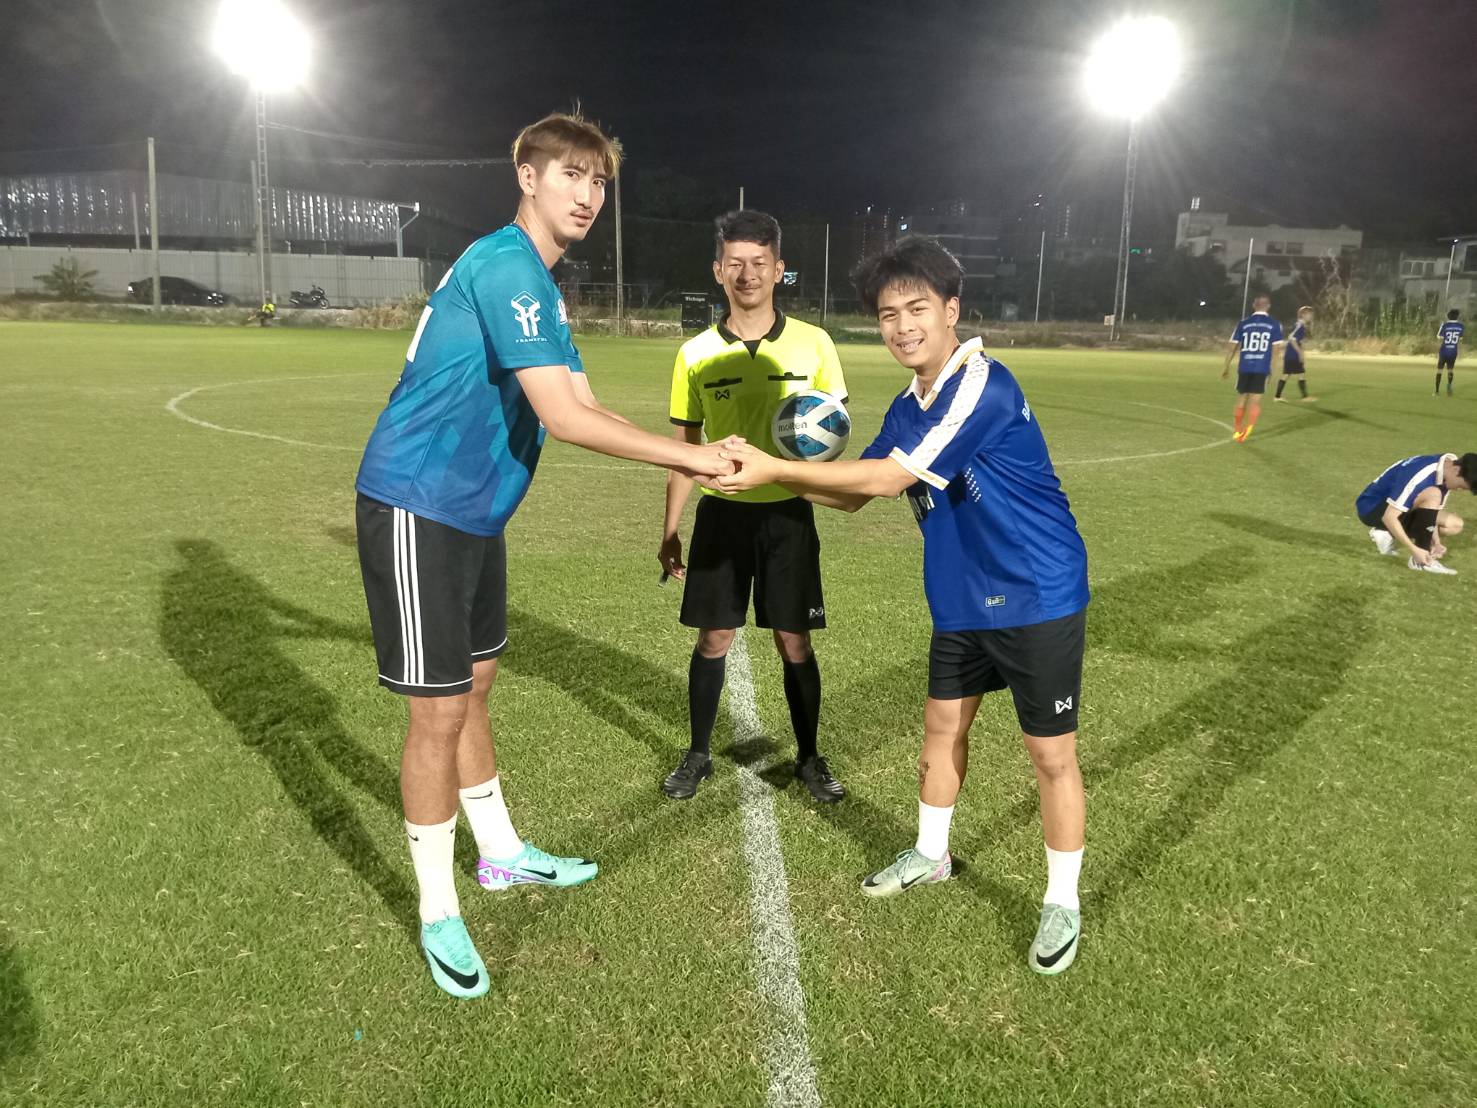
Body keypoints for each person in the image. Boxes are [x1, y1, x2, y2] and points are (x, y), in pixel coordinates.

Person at [353, 112, 739, 1000]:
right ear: (526, 176)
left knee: (476, 686)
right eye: (570, 173)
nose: (587, 193)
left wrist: (691, 452)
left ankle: (499, 853)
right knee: (436, 714)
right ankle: (438, 910)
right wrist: (688, 459)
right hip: (417, 502)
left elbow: (587, 403)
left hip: (471, 514)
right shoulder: (505, 267)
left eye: (598, 180)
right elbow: (564, 422)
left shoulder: (542, 286)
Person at [715, 237, 1090, 975]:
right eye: (888, 315)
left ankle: (1061, 901)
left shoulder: (983, 386)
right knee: (940, 730)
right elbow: (855, 494)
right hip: (960, 596)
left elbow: (890, 479)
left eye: (917, 308)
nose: (902, 326)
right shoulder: (907, 403)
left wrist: (773, 466)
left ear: (951, 309)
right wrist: (768, 474)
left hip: (1035, 593)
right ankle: (930, 853)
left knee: (1051, 756)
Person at [658, 210, 849, 803]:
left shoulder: (815, 343)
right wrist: (670, 528)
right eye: (735, 263)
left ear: (779, 269)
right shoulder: (694, 353)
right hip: (721, 516)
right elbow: (684, 450)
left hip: (787, 514)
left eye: (759, 263)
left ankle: (810, 758)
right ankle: (697, 754)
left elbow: (833, 431)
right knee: (713, 638)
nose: (747, 274)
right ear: (718, 270)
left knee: (795, 641)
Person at [1356, 452, 1474, 575]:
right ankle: (1420, 562)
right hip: (1371, 508)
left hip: (1394, 508)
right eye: (1461, 486)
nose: (1458, 490)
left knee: (1454, 524)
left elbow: (1430, 514)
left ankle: (1387, 534)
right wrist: (1414, 550)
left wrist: (1436, 542)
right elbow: (1389, 517)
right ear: (1456, 470)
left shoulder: (1446, 469)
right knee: (1433, 494)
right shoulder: (1423, 474)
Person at [1221, 294, 1284, 441]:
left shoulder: (1243, 324)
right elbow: (1276, 351)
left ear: (1254, 306)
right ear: (1268, 306)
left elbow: (1232, 348)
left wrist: (1226, 367)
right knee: (1255, 401)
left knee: (1242, 398)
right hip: (1261, 368)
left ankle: (1237, 429)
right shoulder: (1275, 324)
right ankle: (1247, 431)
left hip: (1245, 366)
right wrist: (1273, 371)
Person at [1273, 305, 1315, 402]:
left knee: (1287, 374)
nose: (1311, 316)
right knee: (1300, 374)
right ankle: (1305, 397)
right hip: (1293, 354)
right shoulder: (1300, 325)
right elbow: (1292, 338)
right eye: (1309, 314)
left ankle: (1277, 396)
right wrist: (1300, 353)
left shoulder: (1300, 325)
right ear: (1303, 315)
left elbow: (1294, 339)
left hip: (1290, 354)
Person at [1436, 309, 1464, 396]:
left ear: (1448, 316)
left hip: (1444, 351)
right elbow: (1460, 338)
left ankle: (1437, 391)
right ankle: (1449, 386)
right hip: (1453, 351)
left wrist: (1442, 332)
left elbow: (1438, 336)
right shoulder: (1461, 326)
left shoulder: (1445, 325)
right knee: (1450, 369)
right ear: (1457, 316)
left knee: (1440, 370)